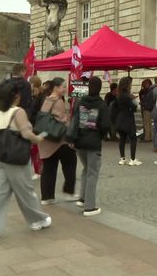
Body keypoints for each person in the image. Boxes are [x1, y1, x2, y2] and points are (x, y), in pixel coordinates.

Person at [0, 82, 51, 240]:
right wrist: (38, 138)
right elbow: (26, 133)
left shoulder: (0, 112)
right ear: (16, 96)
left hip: (0, 157)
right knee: (25, 191)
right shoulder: (18, 112)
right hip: (16, 158)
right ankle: (37, 220)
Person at [67, 76, 111, 217]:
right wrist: (101, 134)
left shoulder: (80, 102)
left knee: (86, 169)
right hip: (93, 142)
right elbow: (105, 125)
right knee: (93, 172)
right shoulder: (102, 104)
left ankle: (82, 197)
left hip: (79, 141)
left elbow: (74, 119)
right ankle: (90, 206)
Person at [38, 77, 78, 205]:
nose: (65, 89)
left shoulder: (46, 99)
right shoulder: (58, 101)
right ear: (56, 87)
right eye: (63, 86)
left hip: (46, 140)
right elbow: (63, 119)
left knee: (49, 168)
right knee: (71, 162)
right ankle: (69, 192)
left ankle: (47, 196)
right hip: (58, 140)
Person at [114, 77, 142, 166]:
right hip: (128, 119)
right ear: (127, 85)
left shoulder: (118, 95)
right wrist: (134, 99)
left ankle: (122, 159)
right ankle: (132, 159)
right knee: (133, 138)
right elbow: (134, 107)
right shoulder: (127, 96)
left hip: (119, 119)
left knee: (122, 139)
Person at [29, 76, 45, 180]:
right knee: (33, 150)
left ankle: (38, 171)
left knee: (35, 150)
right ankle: (37, 170)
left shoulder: (41, 98)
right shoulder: (34, 97)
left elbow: (40, 113)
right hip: (33, 126)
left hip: (38, 127)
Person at [139, 78, 154, 143]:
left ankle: (147, 137)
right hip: (150, 108)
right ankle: (150, 136)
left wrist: (142, 103)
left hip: (146, 108)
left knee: (147, 123)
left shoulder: (146, 92)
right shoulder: (151, 90)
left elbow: (145, 100)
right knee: (149, 124)